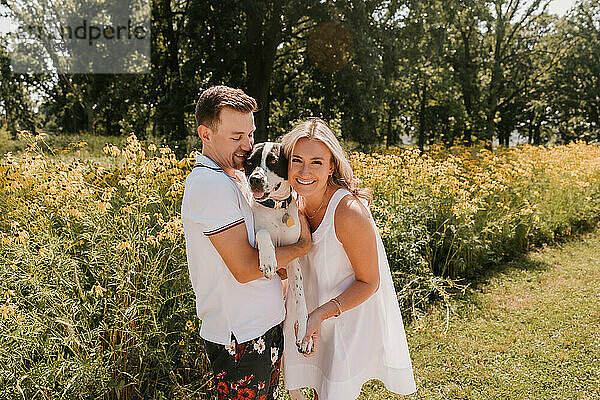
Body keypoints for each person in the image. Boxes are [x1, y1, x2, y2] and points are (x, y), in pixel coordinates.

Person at [181, 85, 312, 400]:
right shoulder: (210, 185)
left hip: (262, 327)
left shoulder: (235, 178)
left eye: (250, 134)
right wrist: (299, 248)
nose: (247, 145)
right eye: (236, 136)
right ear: (206, 134)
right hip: (240, 336)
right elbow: (243, 268)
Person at [280, 118, 416, 400]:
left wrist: (319, 314)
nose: (305, 171)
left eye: (316, 162)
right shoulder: (292, 202)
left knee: (333, 391)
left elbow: (369, 282)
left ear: (332, 166)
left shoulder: (348, 211)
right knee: (317, 388)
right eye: (297, 160)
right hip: (309, 315)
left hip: (345, 317)